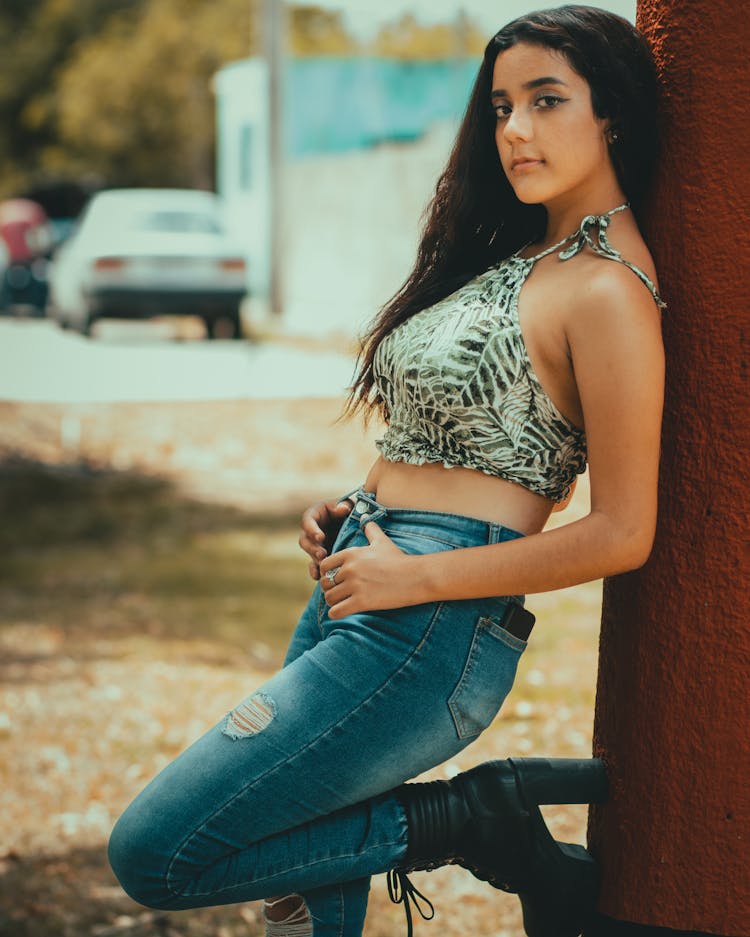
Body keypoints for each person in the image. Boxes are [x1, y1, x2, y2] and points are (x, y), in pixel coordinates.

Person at [108, 6, 665, 937]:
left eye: (545, 100)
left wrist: (414, 572)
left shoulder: (607, 289)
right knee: (302, 906)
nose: (515, 130)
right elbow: (446, 438)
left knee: (158, 850)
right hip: (363, 577)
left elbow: (625, 532)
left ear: (611, 116)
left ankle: (473, 820)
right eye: (499, 107)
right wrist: (358, 507)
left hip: (427, 623)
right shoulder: (524, 257)